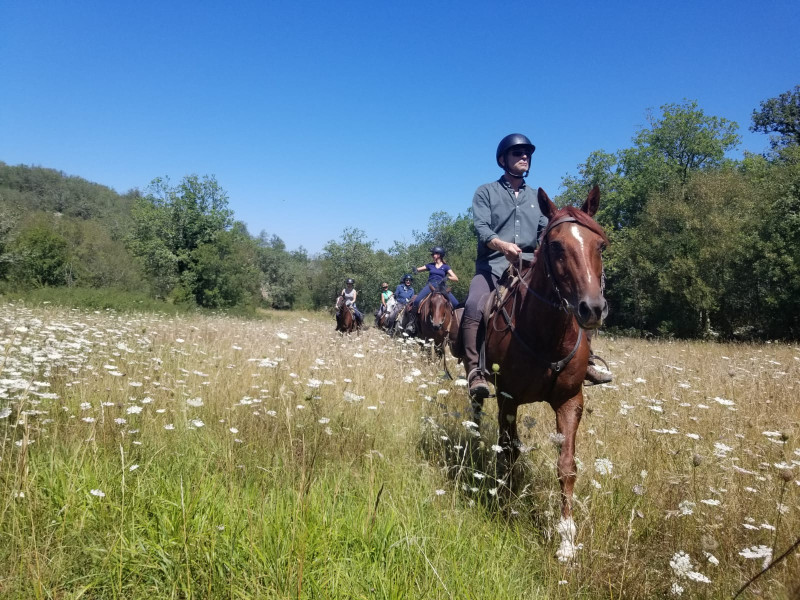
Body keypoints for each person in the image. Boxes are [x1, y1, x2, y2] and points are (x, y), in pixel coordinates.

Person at [462, 133, 612, 399]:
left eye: (527, 154)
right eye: (517, 153)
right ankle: (476, 372)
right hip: (493, 267)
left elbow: (547, 234)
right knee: (474, 306)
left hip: (531, 266)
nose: (524, 157)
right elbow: (482, 229)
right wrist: (502, 245)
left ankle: (586, 361)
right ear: (502, 160)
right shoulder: (486, 192)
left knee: (573, 297)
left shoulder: (537, 197)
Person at [405, 246, 459, 334]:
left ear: (439, 255)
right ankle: (412, 323)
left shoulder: (446, 267)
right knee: (417, 301)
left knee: (456, 304)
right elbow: (419, 269)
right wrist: (415, 270)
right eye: (433, 254)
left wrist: (447, 278)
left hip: (442, 287)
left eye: (434, 254)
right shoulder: (430, 265)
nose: (433, 255)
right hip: (431, 285)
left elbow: (456, 278)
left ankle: (454, 326)